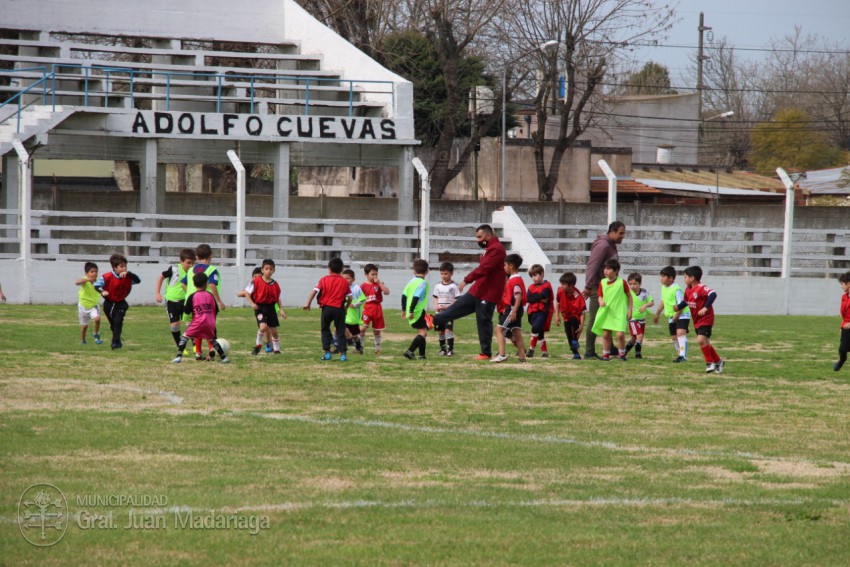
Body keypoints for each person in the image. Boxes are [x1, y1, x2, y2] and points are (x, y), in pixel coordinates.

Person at [432, 224, 506, 360]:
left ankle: (486, 353)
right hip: (478, 290)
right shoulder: (490, 248)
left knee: (483, 320)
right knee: (456, 308)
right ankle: (432, 320)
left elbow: (484, 269)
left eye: (479, 237)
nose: (477, 240)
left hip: (488, 293)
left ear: (488, 236)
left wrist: (466, 280)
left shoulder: (497, 249)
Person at [583, 221, 626, 359]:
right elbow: (592, 265)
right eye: (620, 233)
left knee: (609, 317)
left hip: (610, 287)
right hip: (598, 287)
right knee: (595, 319)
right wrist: (589, 286)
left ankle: (612, 348)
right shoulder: (603, 245)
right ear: (612, 231)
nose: (622, 237)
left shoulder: (611, 245)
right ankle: (589, 351)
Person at [172, 272, 230, 364]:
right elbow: (216, 310)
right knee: (212, 340)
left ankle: (178, 357)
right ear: (206, 283)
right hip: (210, 323)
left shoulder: (193, 296)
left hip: (198, 322)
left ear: (194, 284)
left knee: (185, 337)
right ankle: (224, 357)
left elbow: (186, 311)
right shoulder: (210, 295)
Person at [677, 265, 724, 373]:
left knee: (700, 340)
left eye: (685, 277)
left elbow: (713, 294)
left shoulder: (701, 287)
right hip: (697, 320)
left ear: (692, 278)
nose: (684, 279)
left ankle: (709, 363)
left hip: (706, 319)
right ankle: (718, 361)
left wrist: (705, 307)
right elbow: (686, 301)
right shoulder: (688, 290)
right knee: (705, 342)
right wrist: (678, 307)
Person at [303, 257, 352, 361]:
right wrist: (346, 307)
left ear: (329, 269)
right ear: (342, 269)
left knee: (325, 329)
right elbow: (350, 297)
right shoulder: (344, 282)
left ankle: (327, 353)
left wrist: (308, 303)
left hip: (327, 309)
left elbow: (314, 291)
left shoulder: (324, 279)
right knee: (340, 331)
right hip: (339, 309)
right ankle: (343, 354)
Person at [183, 244, 225, 360]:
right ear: (211, 255)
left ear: (196, 257)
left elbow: (183, 283)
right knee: (208, 325)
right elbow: (212, 285)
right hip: (206, 302)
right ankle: (211, 349)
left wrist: (190, 295)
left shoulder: (191, 269)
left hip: (192, 301)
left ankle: (198, 352)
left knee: (197, 325)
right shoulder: (212, 270)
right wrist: (219, 301)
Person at [94, 252, 141, 350]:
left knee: (118, 322)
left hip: (121, 304)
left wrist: (129, 274)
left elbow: (138, 280)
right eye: (122, 266)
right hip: (109, 304)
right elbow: (96, 285)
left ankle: (115, 343)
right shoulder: (107, 276)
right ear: (115, 268)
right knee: (114, 325)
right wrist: (102, 291)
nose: (124, 268)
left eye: (125, 267)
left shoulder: (128, 277)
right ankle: (117, 339)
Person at [590, 259, 632, 361]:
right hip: (607, 312)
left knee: (620, 335)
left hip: (619, 312)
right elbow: (600, 295)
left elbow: (629, 296)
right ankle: (606, 355)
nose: (606, 271)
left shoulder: (622, 282)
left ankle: (622, 354)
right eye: (605, 268)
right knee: (605, 334)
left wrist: (630, 310)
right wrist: (600, 301)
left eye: (608, 269)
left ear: (616, 270)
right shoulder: (603, 282)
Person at [242, 259, 286, 355]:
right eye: (266, 269)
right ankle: (258, 346)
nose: (268, 271)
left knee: (274, 330)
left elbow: (277, 299)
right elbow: (246, 292)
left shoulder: (275, 285)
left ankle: (277, 349)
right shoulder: (256, 281)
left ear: (274, 271)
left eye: (271, 269)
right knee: (263, 327)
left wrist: (281, 309)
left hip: (271, 308)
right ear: (262, 270)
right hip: (260, 308)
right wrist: (251, 303)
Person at [154, 248, 196, 347]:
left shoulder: (193, 272)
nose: (190, 266)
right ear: (181, 261)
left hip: (187, 301)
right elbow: (161, 277)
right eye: (188, 263)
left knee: (190, 324)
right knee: (175, 326)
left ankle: (196, 347)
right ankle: (180, 347)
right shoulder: (173, 269)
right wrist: (157, 293)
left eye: (192, 263)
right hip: (172, 302)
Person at [492, 254, 527, 363]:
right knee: (517, 332)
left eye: (505, 265)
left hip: (512, 309)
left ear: (511, 266)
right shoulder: (517, 278)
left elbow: (518, 295)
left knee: (499, 330)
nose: (504, 267)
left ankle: (502, 355)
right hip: (517, 309)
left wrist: (513, 311)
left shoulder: (514, 280)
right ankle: (522, 357)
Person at [653, 266, 691, 363]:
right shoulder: (664, 288)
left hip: (682, 314)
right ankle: (679, 354)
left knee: (680, 334)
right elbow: (663, 301)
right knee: (674, 337)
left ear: (671, 278)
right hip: (671, 315)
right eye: (661, 276)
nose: (661, 278)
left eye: (663, 276)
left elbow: (681, 304)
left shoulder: (676, 289)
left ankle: (683, 356)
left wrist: (676, 316)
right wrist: (657, 313)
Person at [237, 266, 273, 354]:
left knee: (268, 327)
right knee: (264, 327)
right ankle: (262, 345)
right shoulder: (252, 284)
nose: (256, 278)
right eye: (255, 277)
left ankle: (268, 343)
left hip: (269, 307)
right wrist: (246, 294)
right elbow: (241, 293)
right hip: (259, 309)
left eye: (259, 277)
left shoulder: (266, 284)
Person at [402, 259, 432, 360]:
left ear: (414, 271)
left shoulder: (411, 281)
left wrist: (404, 309)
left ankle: (422, 355)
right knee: (423, 333)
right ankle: (410, 351)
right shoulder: (422, 283)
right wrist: (411, 311)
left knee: (421, 332)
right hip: (416, 311)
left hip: (413, 311)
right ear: (427, 272)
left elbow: (404, 295)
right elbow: (416, 297)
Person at [360, 263, 390, 355]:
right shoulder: (363, 286)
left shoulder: (379, 284)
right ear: (366, 275)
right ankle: (359, 347)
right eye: (372, 274)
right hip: (367, 308)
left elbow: (387, 292)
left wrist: (379, 283)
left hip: (377, 308)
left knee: (377, 330)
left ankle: (378, 348)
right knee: (362, 328)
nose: (374, 276)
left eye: (376, 274)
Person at [525, 264, 554, 359]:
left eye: (535, 275)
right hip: (532, 312)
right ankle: (544, 352)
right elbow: (527, 299)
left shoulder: (546, 285)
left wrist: (535, 297)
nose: (533, 278)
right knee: (539, 331)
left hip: (543, 311)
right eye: (532, 276)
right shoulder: (530, 287)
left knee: (535, 327)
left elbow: (543, 296)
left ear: (542, 274)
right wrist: (537, 298)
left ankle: (531, 349)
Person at [555, 272, 586, 360]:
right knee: (569, 334)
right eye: (561, 284)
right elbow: (557, 303)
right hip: (565, 317)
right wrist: (557, 316)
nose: (562, 286)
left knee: (573, 323)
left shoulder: (578, 296)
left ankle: (575, 341)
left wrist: (581, 327)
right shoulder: (560, 291)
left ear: (571, 285)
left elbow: (582, 312)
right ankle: (576, 353)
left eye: (564, 284)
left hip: (575, 317)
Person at [625, 272, 655, 359]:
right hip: (633, 319)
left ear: (640, 283)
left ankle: (623, 352)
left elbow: (652, 302)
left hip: (642, 319)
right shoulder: (628, 293)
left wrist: (645, 305)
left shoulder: (644, 292)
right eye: (630, 284)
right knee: (640, 336)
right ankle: (638, 354)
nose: (632, 286)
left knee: (634, 339)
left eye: (635, 284)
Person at [432, 261, 459, 356]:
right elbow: (435, 297)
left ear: (451, 273)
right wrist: (436, 305)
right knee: (440, 331)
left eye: (446, 273)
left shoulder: (454, 286)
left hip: (449, 312)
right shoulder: (437, 285)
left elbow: (457, 300)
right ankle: (443, 349)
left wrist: (447, 307)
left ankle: (450, 350)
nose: (443, 276)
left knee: (448, 330)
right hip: (439, 313)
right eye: (442, 273)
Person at [75, 262, 102, 345]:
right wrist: (87, 279)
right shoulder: (85, 281)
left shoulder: (99, 282)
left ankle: (95, 334)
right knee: (84, 327)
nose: (94, 273)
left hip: (93, 306)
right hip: (83, 307)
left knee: (97, 319)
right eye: (92, 271)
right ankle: (83, 341)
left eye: (96, 271)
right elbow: (77, 282)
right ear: (87, 273)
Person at [342, 268, 366, 355]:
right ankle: (340, 347)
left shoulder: (356, 288)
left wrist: (354, 305)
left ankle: (358, 348)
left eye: (347, 278)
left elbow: (363, 299)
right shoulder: (341, 287)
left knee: (355, 334)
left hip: (353, 316)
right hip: (344, 314)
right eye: (343, 278)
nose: (345, 280)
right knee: (341, 329)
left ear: (353, 279)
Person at [834, 271, 850, 372]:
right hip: (846, 327)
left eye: (842, 284)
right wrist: (842, 326)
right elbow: (844, 315)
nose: (841, 286)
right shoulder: (844, 297)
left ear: (849, 283)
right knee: (842, 349)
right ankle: (842, 360)